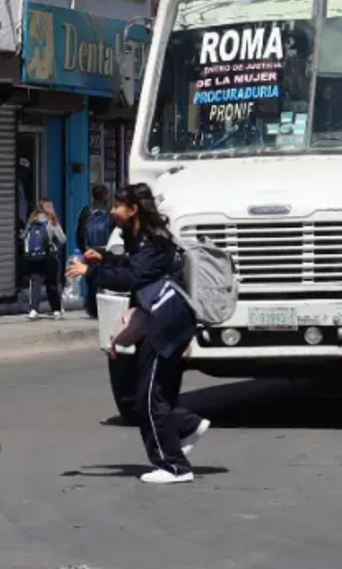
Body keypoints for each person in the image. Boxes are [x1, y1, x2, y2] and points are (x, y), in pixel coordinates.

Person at [66, 183, 210, 484]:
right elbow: (133, 267)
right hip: (164, 320)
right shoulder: (140, 240)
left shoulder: (153, 242)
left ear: (133, 210)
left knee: (148, 395)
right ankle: (185, 426)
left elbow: (132, 277)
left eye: (118, 206)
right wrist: (103, 258)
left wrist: (89, 273)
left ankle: (174, 466)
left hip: (167, 322)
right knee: (153, 394)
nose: (112, 212)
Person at [24, 198, 67, 320]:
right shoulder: (51, 220)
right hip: (49, 256)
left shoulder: (32, 220)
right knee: (52, 283)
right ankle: (56, 310)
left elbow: (24, 236)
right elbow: (62, 239)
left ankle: (33, 310)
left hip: (34, 256)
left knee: (35, 282)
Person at [75, 184, 114, 319]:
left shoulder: (86, 211)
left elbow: (80, 233)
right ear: (105, 196)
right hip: (106, 250)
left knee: (91, 279)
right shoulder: (110, 212)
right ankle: (103, 307)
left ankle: (92, 308)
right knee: (106, 278)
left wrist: (83, 249)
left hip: (90, 250)